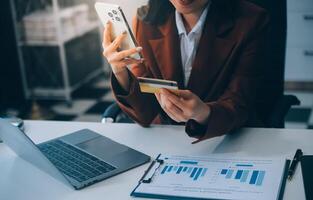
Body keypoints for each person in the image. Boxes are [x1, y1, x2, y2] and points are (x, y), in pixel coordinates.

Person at [102, 0, 278, 143]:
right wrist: (120, 73)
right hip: (167, 141)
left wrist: (204, 113)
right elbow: (147, 112)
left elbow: (240, 102)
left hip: (225, 140)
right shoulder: (146, 20)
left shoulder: (251, 22)